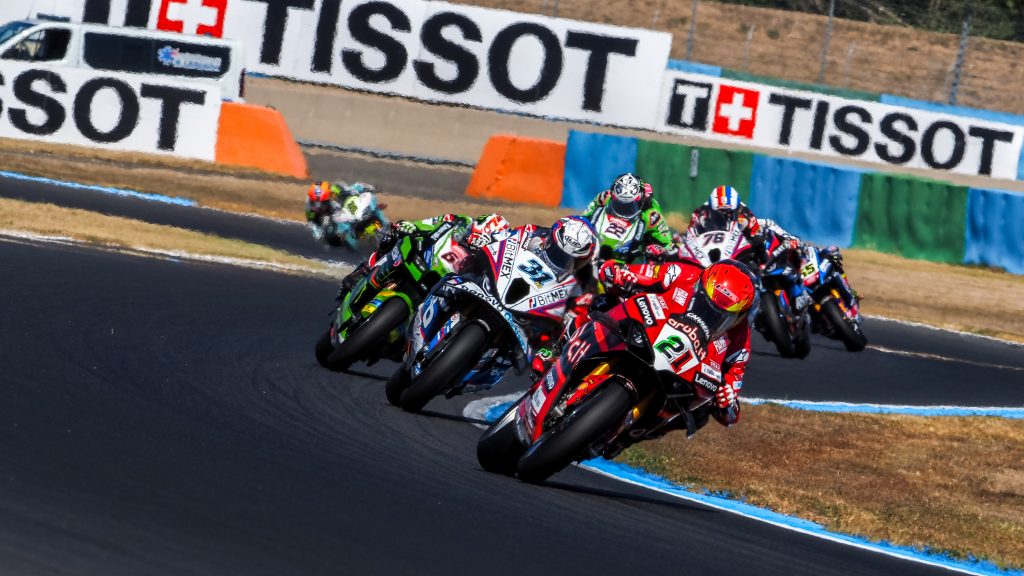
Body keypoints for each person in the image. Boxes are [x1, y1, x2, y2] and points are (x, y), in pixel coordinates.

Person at [597, 257, 758, 428]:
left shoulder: (741, 337)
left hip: (682, 374)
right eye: (704, 303)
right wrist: (620, 274)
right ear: (700, 286)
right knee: (602, 303)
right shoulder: (683, 273)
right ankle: (576, 335)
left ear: (739, 317)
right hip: (647, 329)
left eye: (721, 316)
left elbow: (731, 411)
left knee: (699, 416)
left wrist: (727, 402)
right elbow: (630, 270)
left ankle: (637, 430)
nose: (711, 315)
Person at [337, 212, 512, 295]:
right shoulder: (460, 221)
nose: (472, 243)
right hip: (426, 257)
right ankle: (364, 271)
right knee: (393, 238)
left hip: (443, 285)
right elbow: (430, 223)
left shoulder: (484, 264)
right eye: (473, 236)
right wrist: (411, 226)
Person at [583, 173, 673, 258]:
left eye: (629, 206)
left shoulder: (651, 215)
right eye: (619, 204)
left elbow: (666, 242)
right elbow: (585, 216)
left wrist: (658, 250)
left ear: (639, 202)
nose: (623, 209)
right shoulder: (604, 197)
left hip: (630, 254)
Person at [305, 181, 380, 248]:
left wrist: (362, 188)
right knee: (340, 234)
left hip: (344, 215)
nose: (322, 206)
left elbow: (350, 190)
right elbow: (317, 233)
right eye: (321, 203)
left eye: (325, 201)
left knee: (363, 213)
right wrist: (325, 228)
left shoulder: (333, 195)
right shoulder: (312, 213)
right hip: (332, 238)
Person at [688, 185, 763, 244]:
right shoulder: (700, 214)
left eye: (729, 212)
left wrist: (755, 239)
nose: (726, 215)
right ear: (711, 209)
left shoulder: (746, 215)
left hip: (737, 252)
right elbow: (689, 238)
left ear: (737, 208)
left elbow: (757, 234)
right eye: (720, 212)